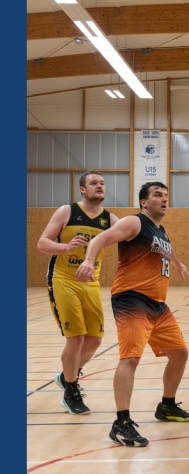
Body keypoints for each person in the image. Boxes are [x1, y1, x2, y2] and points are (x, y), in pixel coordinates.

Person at [75, 181, 189, 447]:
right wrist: (88, 260)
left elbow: (167, 248)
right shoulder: (135, 222)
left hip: (158, 305)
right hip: (132, 300)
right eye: (157, 195)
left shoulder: (161, 230)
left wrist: (177, 262)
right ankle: (121, 423)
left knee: (180, 354)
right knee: (130, 359)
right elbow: (100, 239)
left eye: (166, 195)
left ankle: (167, 405)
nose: (164, 199)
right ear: (144, 202)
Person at [36, 170, 114, 415]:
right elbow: (42, 243)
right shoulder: (67, 212)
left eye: (102, 183)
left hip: (91, 282)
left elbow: (132, 237)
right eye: (94, 183)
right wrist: (65, 247)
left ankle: (65, 376)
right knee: (76, 338)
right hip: (63, 280)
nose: (99, 186)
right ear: (82, 189)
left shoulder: (110, 220)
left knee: (95, 340)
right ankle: (70, 392)